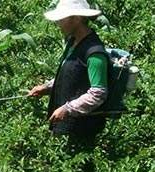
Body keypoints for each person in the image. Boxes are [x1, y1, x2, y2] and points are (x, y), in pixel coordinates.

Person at [28, 0, 110, 141]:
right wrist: (46, 87)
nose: (58, 23)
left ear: (76, 18)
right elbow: (70, 75)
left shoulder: (95, 54)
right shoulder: (73, 42)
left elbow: (98, 93)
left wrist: (67, 109)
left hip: (82, 130)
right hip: (66, 127)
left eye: (62, 19)